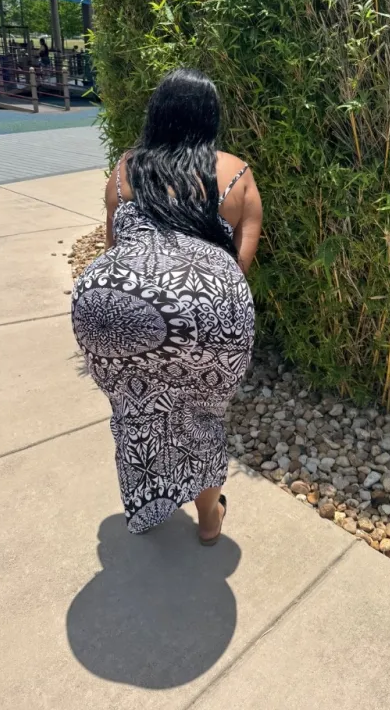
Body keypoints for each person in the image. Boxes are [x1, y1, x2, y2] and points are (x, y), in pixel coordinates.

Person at [71, 69, 262, 544]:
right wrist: (199, 299)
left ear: (156, 113)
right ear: (209, 117)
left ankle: (150, 505)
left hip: (112, 306)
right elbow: (240, 259)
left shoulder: (125, 169)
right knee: (201, 416)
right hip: (210, 305)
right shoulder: (235, 171)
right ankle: (209, 518)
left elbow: (114, 247)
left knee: (137, 410)